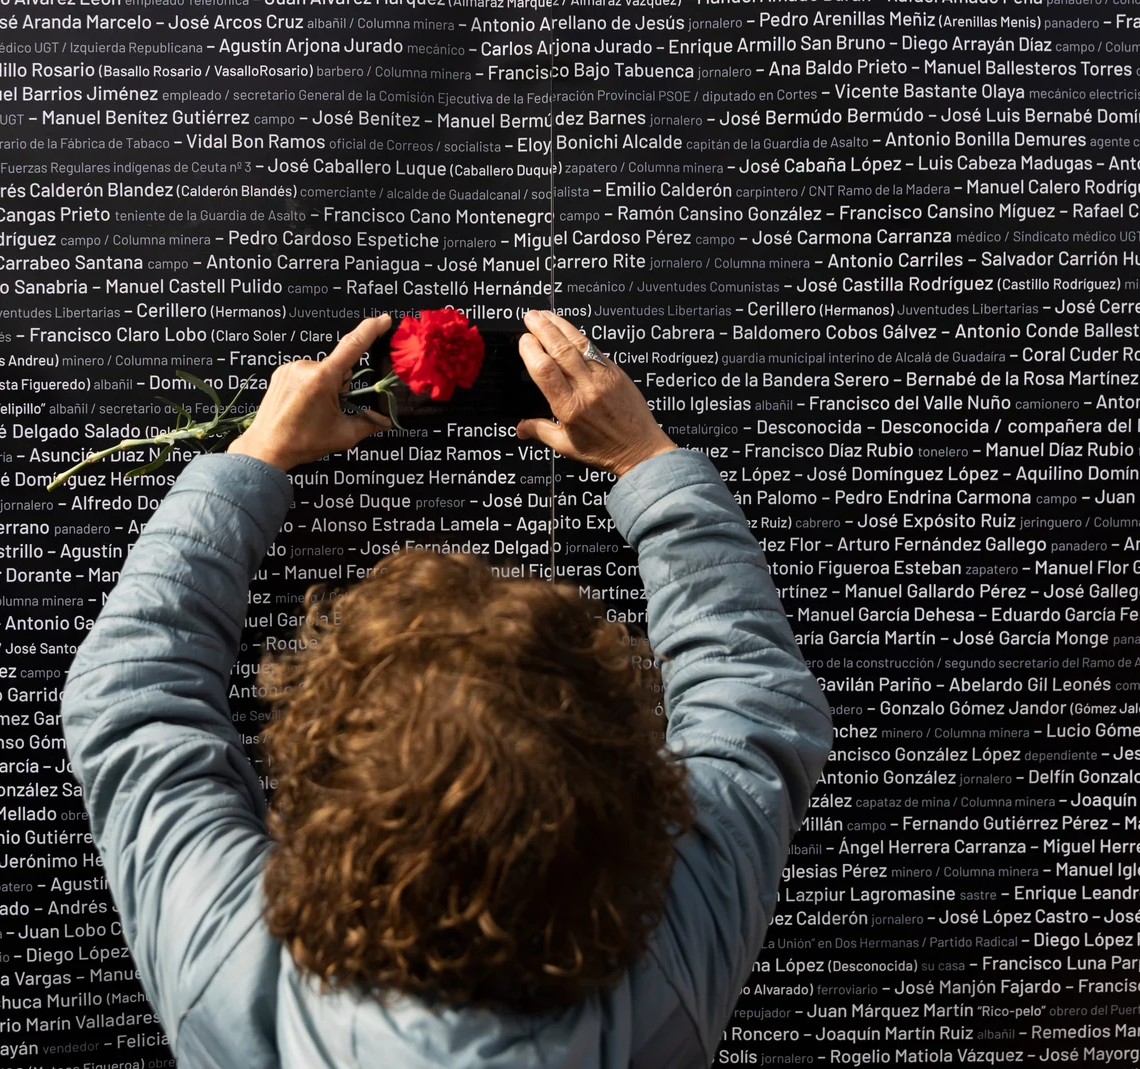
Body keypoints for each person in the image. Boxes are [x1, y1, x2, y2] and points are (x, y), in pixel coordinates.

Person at [60, 309, 833, 1068]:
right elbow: (752, 701)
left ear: (315, 774)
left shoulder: (231, 974)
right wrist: (644, 456)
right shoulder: (667, 973)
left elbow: (131, 696)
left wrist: (256, 454)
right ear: (619, 774)